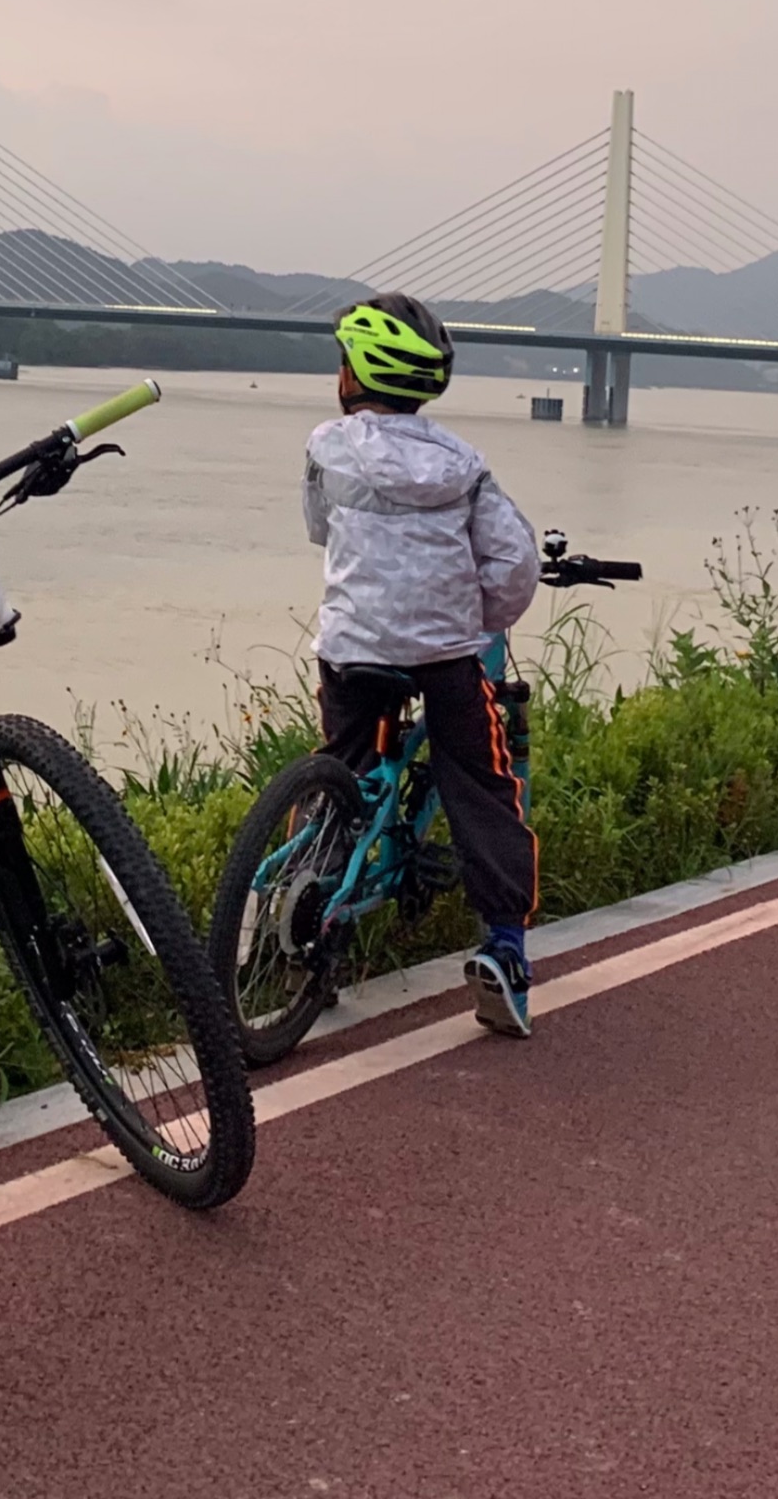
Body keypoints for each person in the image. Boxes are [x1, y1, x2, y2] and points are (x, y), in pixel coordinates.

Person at [303, 293, 546, 1035]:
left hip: (351, 653)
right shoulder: (462, 466)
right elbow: (512, 562)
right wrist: (481, 619)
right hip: (442, 657)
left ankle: (306, 930)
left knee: (338, 774)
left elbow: (317, 528)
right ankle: (504, 949)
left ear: (354, 378)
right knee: (478, 782)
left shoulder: (324, 447)